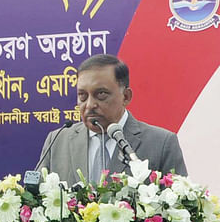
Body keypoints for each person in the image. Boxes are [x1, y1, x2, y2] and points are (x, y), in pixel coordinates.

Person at [37, 54, 187, 185]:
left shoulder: (160, 144)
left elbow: (179, 208)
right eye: (82, 95)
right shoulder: (57, 141)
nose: (90, 105)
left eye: (101, 94)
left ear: (126, 96)